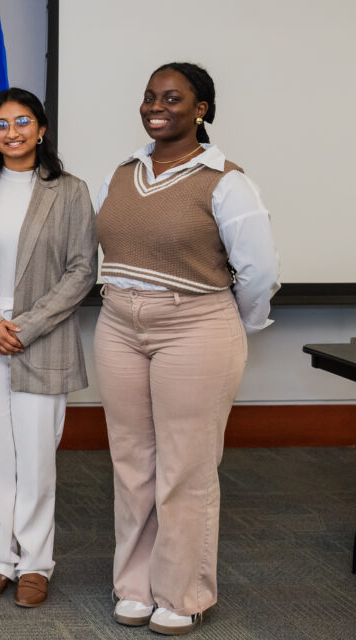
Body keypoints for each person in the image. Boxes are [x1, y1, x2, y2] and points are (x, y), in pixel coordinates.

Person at [95, 62, 278, 635]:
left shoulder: (225, 179)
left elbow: (258, 271)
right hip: (119, 324)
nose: (156, 106)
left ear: (201, 109)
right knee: (132, 463)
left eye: (172, 98)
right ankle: (135, 585)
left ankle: (183, 591)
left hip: (194, 325)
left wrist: (221, 327)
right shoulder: (123, 173)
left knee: (185, 468)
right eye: (150, 96)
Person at [0, 87, 96, 608]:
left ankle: (35, 564)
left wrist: (25, 325)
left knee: (36, 457)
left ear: (42, 128)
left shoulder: (69, 191)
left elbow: (81, 271)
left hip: (40, 341)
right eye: (1, 124)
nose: (13, 132)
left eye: (23, 121)